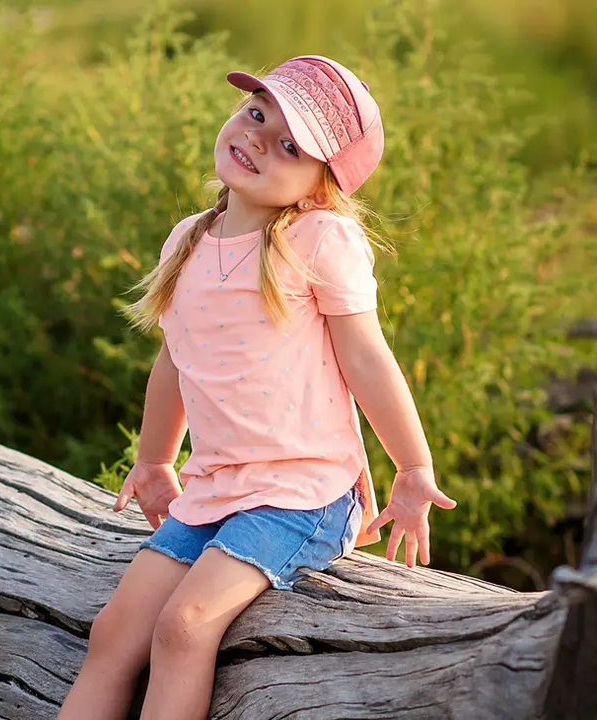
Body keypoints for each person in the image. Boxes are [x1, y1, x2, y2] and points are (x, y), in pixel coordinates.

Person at [56, 55, 457, 720]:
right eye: (256, 113)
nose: (258, 138)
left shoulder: (316, 237)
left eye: (291, 145)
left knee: (184, 625)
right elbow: (175, 362)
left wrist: (413, 467)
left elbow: (367, 357)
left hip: (304, 495)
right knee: (113, 634)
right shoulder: (190, 238)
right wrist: (156, 460)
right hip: (215, 487)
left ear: (319, 185)